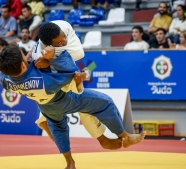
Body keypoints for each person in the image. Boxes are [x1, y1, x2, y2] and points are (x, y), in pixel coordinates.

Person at [0, 44, 146, 169]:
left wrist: (26, 61)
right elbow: (68, 73)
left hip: (45, 106)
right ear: (23, 66)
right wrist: (49, 60)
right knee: (105, 103)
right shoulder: (43, 79)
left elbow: (1, 76)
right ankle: (124, 136)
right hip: (64, 99)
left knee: (58, 127)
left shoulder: (7, 81)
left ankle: (70, 164)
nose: (27, 55)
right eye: (25, 56)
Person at [31, 21, 125, 150]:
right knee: (79, 104)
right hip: (53, 85)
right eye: (59, 43)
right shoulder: (39, 53)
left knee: (82, 104)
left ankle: (44, 119)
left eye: (63, 37)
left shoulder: (64, 29)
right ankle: (104, 139)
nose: (64, 41)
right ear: (49, 45)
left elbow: (81, 56)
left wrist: (50, 60)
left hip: (64, 80)